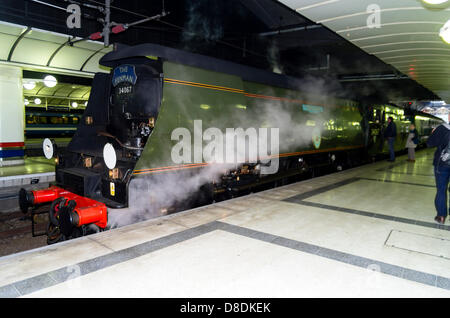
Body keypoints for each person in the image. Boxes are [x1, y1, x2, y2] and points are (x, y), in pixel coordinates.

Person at [427, 123, 450, 224]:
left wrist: (433, 133)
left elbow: (429, 143)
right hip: (442, 164)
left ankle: (441, 216)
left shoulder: (442, 128)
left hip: (442, 164)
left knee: (441, 190)